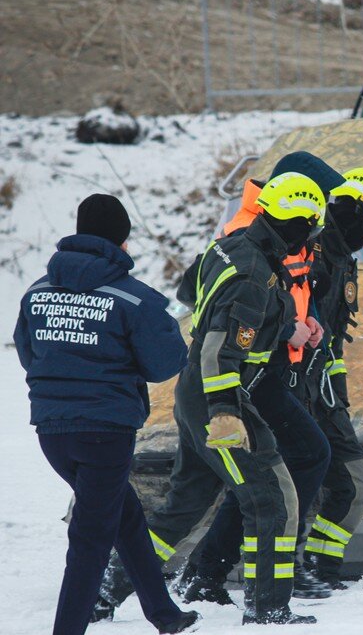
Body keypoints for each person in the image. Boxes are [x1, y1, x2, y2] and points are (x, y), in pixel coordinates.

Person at [13, 194, 200, 635]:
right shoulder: (134, 298)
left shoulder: (36, 292)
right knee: (91, 539)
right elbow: (164, 364)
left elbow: (27, 353)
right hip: (105, 432)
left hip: (52, 431)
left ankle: (165, 614)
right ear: (122, 240)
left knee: (124, 515)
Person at [179, 152, 348, 603]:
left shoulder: (276, 226)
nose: (323, 217)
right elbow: (215, 303)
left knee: (255, 477)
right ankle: (255, 572)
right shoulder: (251, 232)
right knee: (291, 465)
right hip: (250, 370)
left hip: (270, 364)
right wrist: (285, 328)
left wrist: (306, 320)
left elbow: (293, 290)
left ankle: (207, 573)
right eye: (321, 201)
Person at [299, 167, 363, 590]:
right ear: (350, 208)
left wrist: (337, 396)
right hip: (295, 390)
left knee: (354, 484)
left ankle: (321, 567)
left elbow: (334, 343)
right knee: (297, 484)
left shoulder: (343, 261)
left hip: (322, 393)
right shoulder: (310, 252)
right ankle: (291, 569)